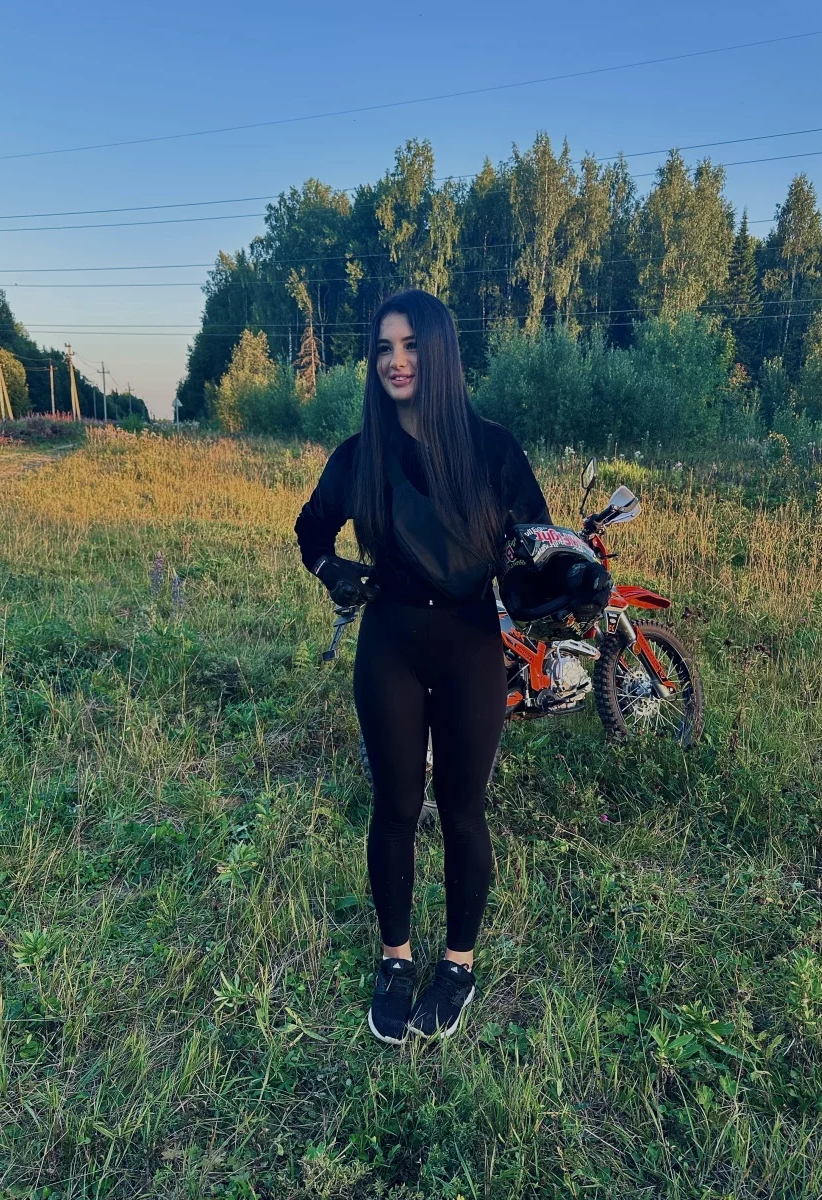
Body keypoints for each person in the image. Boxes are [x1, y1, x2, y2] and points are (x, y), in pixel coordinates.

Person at [294, 289, 551, 1043]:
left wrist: (566, 582)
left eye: (410, 345)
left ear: (439, 352)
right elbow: (311, 529)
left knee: (465, 811)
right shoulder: (360, 454)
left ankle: (458, 967)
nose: (396, 361)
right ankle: (396, 960)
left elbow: (531, 555)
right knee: (396, 809)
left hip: (471, 645)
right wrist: (331, 570)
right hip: (390, 649)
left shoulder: (492, 450)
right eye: (383, 348)